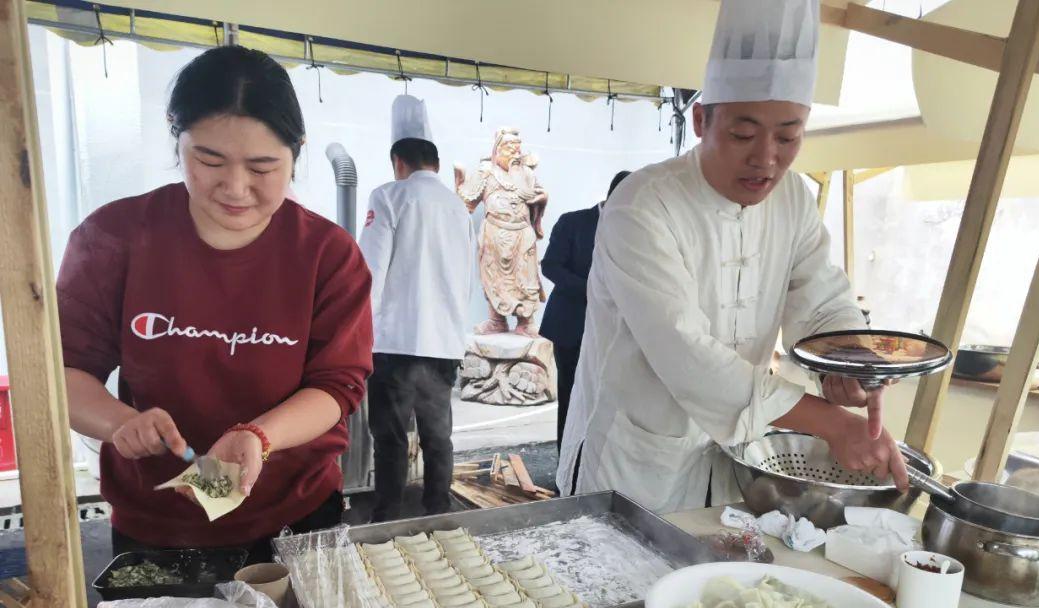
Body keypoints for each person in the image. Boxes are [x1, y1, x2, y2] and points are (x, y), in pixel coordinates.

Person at [556, 0, 908, 514]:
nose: (766, 158)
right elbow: (686, 351)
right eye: (743, 134)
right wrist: (831, 422)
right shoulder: (643, 203)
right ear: (700, 120)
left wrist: (848, 363)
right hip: (632, 459)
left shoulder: (792, 200)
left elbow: (822, 299)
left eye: (788, 137)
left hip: (729, 459)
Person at [57, 46, 373, 561]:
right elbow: (65, 374)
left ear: (298, 152)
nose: (236, 188)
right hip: (157, 522)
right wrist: (119, 422)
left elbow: (337, 386)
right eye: (208, 160)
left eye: (263, 166)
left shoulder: (326, 254)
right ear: (175, 139)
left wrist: (258, 435)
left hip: (294, 513)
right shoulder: (113, 237)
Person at [359, 95, 476, 521]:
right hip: (444, 343)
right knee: (437, 437)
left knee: (390, 438)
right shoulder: (457, 209)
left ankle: (387, 519)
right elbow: (465, 280)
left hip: (397, 342)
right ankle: (438, 515)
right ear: (437, 165)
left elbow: (368, 274)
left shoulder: (388, 196)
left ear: (397, 162)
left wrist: (359, 337)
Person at [540, 170, 631, 453]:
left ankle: (595, 463)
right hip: (571, 327)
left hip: (614, 332)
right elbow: (550, 266)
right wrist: (593, 289)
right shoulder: (573, 222)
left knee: (605, 400)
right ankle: (565, 467)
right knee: (571, 397)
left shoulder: (634, 231)